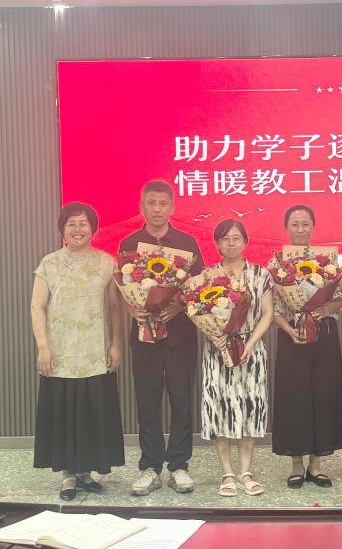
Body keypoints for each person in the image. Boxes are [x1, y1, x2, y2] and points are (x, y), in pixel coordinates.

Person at [30, 202, 125, 500]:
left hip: (95, 354)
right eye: (71, 223)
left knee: (91, 416)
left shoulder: (106, 263)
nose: (78, 229)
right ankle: (68, 475)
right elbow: (37, 306)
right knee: (65, 417)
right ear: (63, 228)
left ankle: (85, 472)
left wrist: (116, 344)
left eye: (83, 223)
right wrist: (43, 347)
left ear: (93, 229)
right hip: (60, 355)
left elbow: (114, 308)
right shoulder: (49, 263)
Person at [119, 180, 205, 496]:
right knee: (147, 400)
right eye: (151, 203)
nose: (157, 209)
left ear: (172, 207)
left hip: (180, 334)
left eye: (162, 203)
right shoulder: (130, 243)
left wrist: (179, 305)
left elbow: (199, 286)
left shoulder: (187, 243)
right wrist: (131, 309)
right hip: (144, 334)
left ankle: (179, 465)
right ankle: (151, 467)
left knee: (181, 399)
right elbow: (122, 286)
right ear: (142, 206)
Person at [270, 205, 342, 489]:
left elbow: (340, 297)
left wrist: (321, 311)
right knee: (294, 398)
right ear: (286, 228)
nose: (300, 229)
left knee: (323, 396)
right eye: (295, 224)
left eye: (305, 224)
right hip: (291, 336)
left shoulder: (327, 260)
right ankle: (296, 463)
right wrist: (290, 329)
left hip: (324, 335)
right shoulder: (277, 262)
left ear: (313, 227)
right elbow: (272, 307)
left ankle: (316, 465)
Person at [199, 219, 274, 497]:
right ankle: (227, 473)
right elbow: (198, 313)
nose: (231, 243)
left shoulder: (260, 274)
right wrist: (213, 336)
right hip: (217, 352)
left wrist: (251, 343)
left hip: (250, 351)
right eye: (225, 238)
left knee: (250, 407)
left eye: (236, 238)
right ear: (217, 243)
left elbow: (268, 313)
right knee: (220, 409)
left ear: (245, 242)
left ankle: (246, 472)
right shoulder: (207, 276)